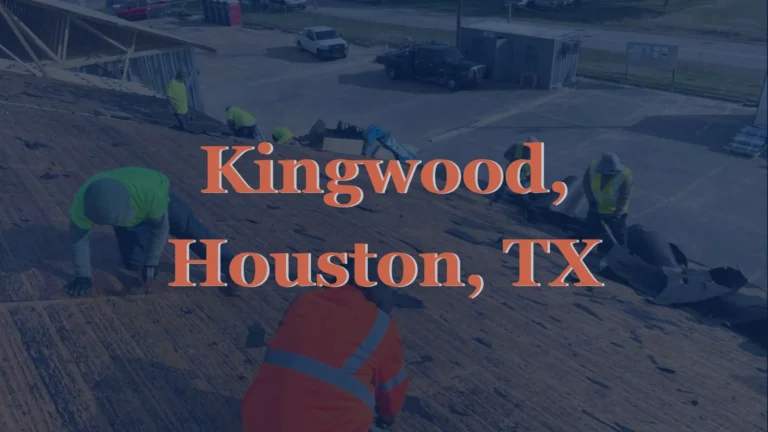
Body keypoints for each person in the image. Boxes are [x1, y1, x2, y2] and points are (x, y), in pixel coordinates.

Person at [241, 255, 408, 432]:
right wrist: (386, 420)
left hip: (256, 422)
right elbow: (392, 393)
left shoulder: (304, 301)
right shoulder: (382, 325)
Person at [65, 167, 237, 297]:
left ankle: (231, 267)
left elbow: (161, 227)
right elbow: (78, 240)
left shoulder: (151, 194)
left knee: (191, 231)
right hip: (132, 212)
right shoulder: (82, 203)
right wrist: (83, 276)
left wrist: (153, 262)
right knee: (133, 263)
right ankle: (139, 243)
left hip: (156, 197)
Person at [583, 152, 632, 247]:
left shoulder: (625, 176)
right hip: (596, 207)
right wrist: (592, 201)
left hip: (615, 212)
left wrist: (617, 214)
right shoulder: (592, 168)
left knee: (619, 236)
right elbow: (586, 185)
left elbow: (624, 197)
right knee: (590, 230)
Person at [490, 136, 536, 205]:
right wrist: (513, 160)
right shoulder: (517, 147)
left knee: (522, 192)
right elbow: (506, 154)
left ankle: (522, 206)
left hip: (523, 175)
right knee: (502, 186)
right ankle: (494, 201)